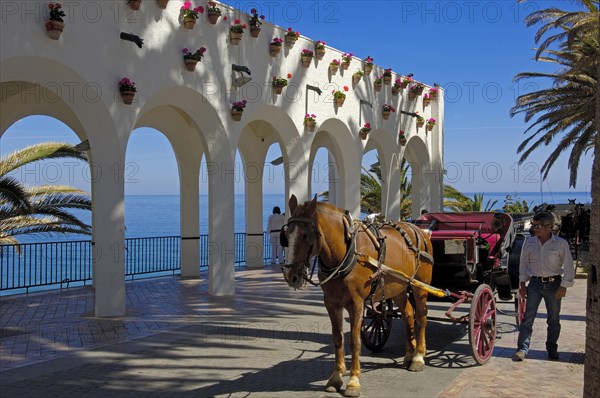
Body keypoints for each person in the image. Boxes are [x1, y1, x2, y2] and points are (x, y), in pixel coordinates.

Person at [513, 211, 575, 361]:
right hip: (534, 284)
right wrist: (522, 284)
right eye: (534, 225)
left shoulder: (560, 244)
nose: (535, 228)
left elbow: (568, 266)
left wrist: (564, 286)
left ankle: (552, 349)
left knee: (553, 319)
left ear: (549, 226)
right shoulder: (530, 243)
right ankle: (522, 349)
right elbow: (524, 263)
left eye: (538, 226)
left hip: (554, 285)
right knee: (528, 318)